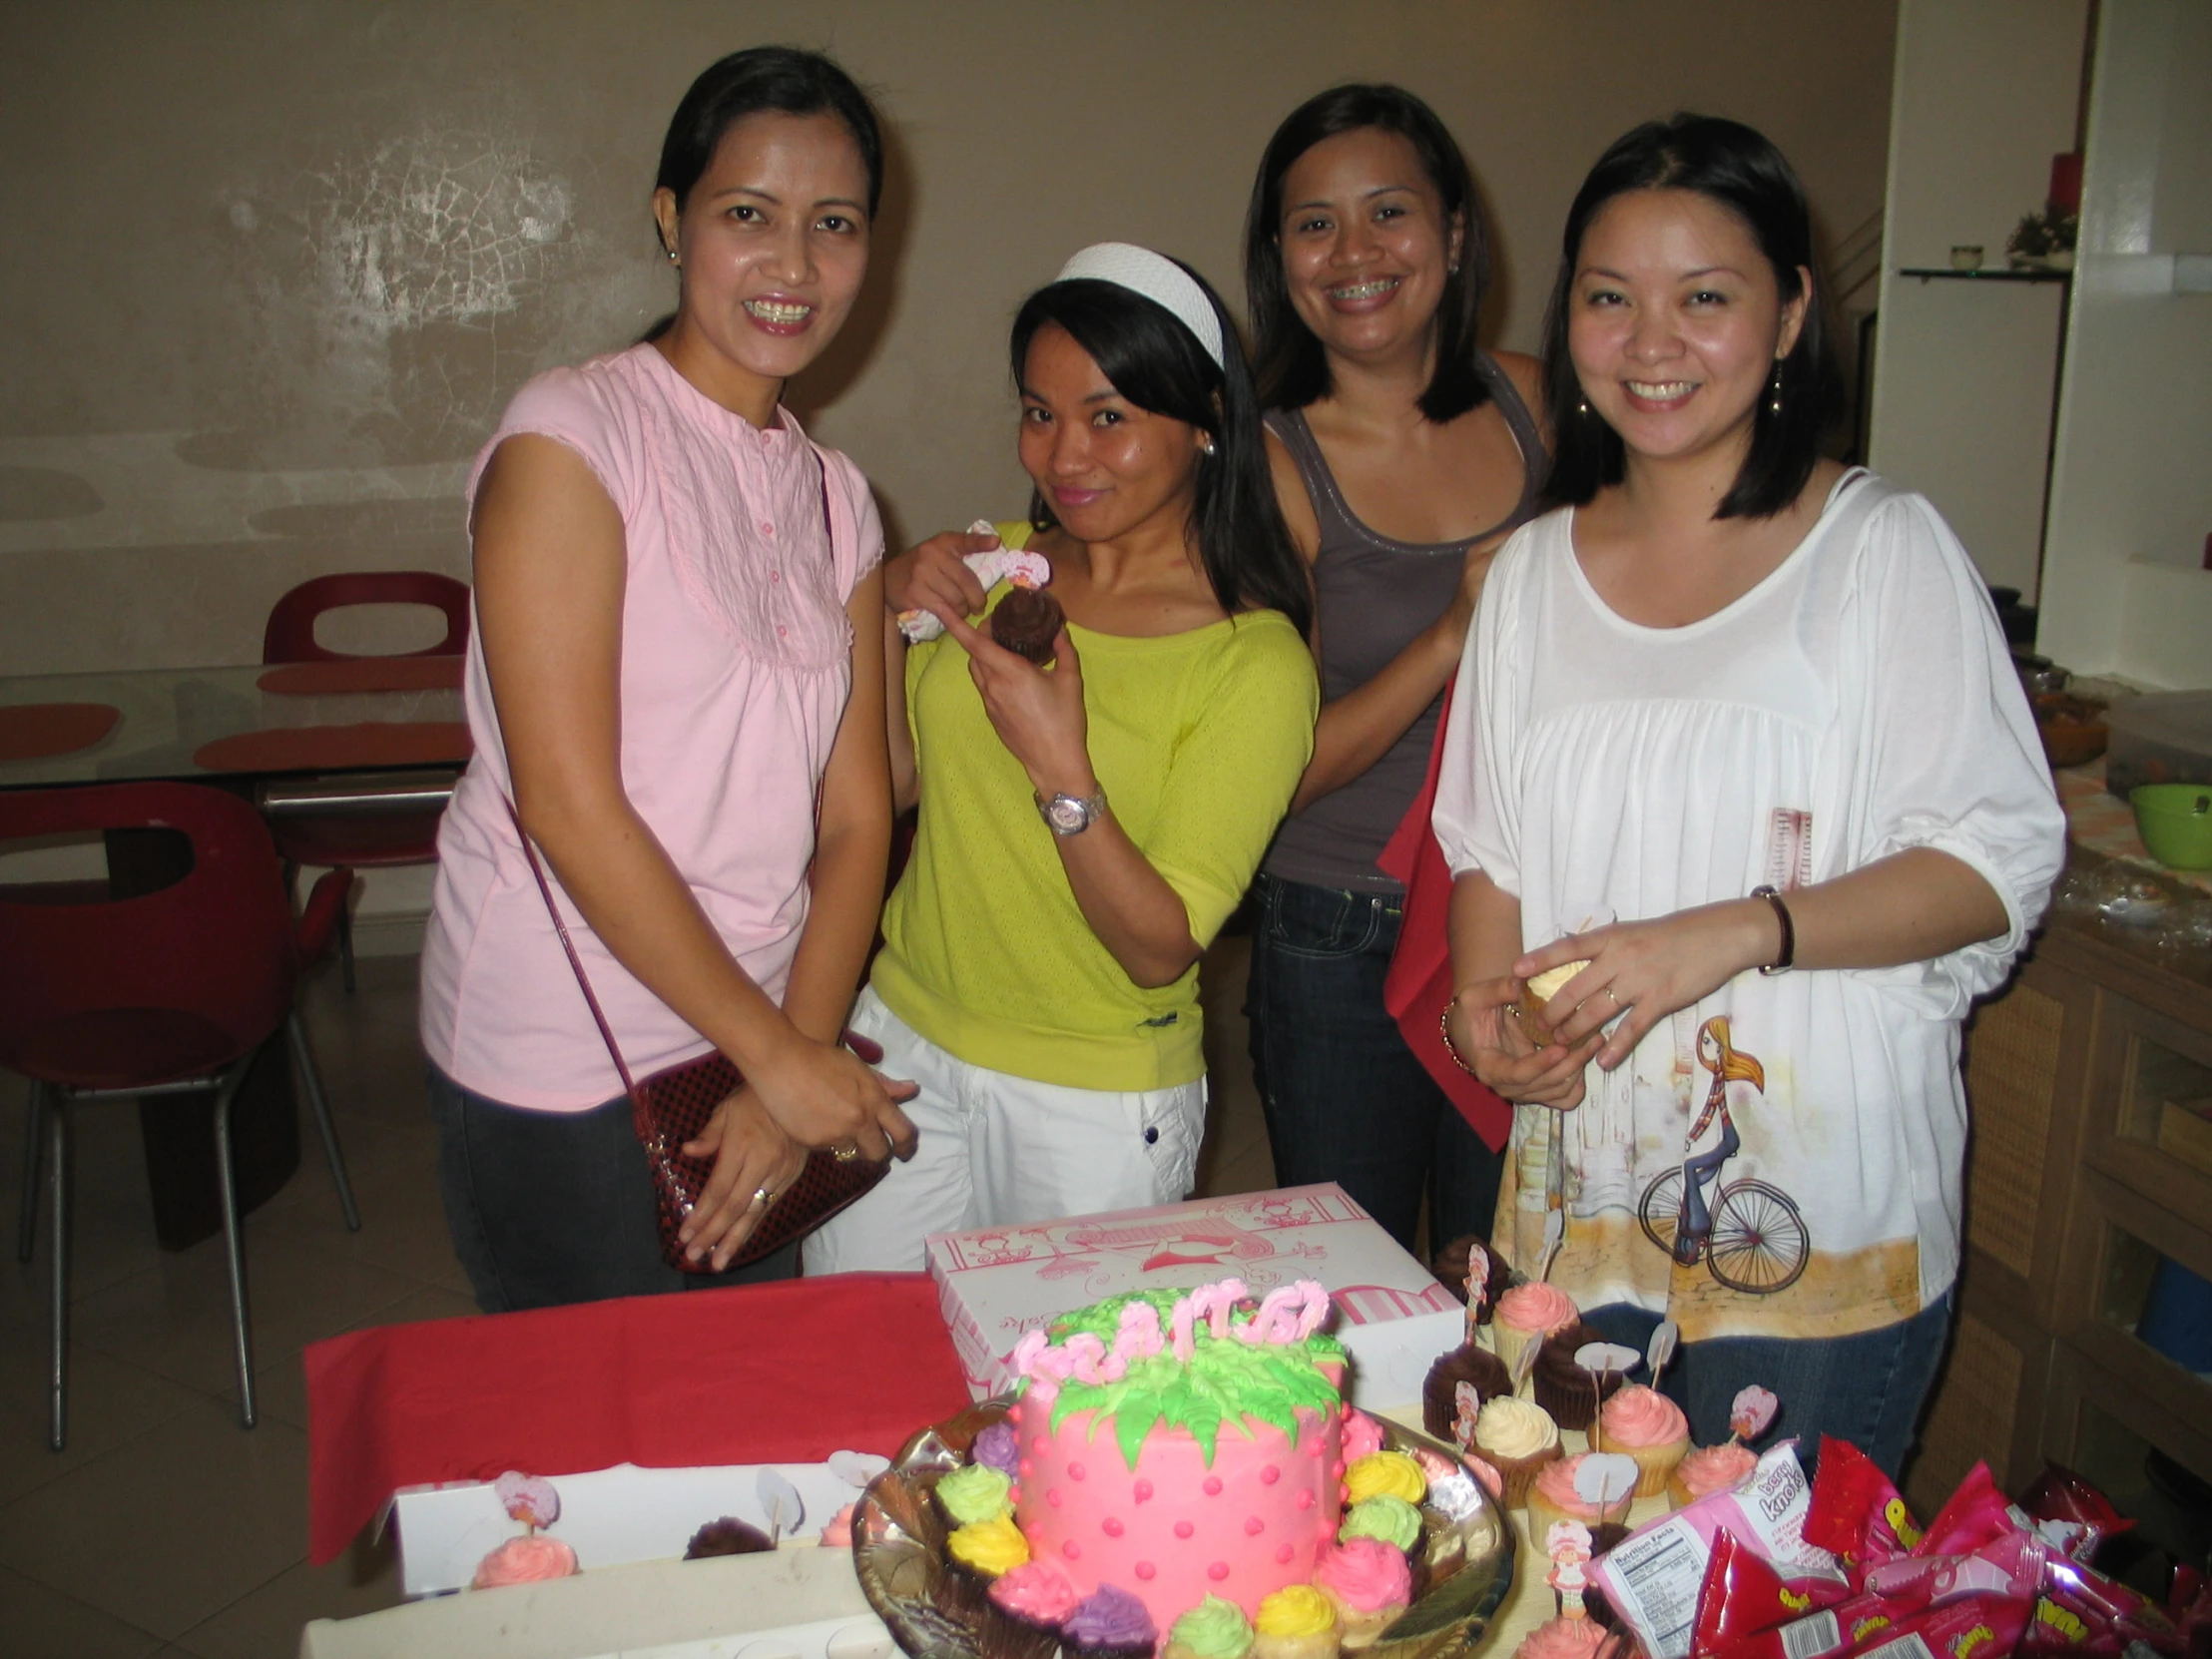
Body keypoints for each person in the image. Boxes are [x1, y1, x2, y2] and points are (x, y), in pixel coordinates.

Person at [1434, 114, 2064, 1475]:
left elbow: (1992, 858)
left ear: (1788, 316)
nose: (1650, 341)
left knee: (1769, 1603)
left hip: (1818, 1212)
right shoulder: (1533, 572)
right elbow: (1486, 847)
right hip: (1578, 1198)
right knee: (1584, 1576)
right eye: (1610, 298)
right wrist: (1480, 1013)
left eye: (1704, 298)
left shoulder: (1880, 551)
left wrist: (1733, 929)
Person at [419, 47, 916, 1312]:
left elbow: (857, 814)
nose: (792, 266)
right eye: (747, 214)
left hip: (763, 1028)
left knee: (738, 1423)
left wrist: (790, 1058)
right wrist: (779, 1060)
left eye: (834, 225)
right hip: (567, 1041)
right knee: (595, 1441)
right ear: (668, 220)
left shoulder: (832, 494)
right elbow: (567, 801)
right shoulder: (574, 438)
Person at [806, 245, 1319, 1271]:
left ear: (1205, 420)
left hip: (1090, 1096)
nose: (1061, 456)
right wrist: (878, 600)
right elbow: (893, 785)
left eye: (1108, 416)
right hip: (900, 1040)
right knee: (861, 1365)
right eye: (1038, 413)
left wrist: (1061, 772)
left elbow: (1158, 950)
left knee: (1055, 1409)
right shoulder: (992, 567)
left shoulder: (1250, 659)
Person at [1241, 85, 1547, 1254]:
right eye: (1313, 224)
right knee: (1352, 1271)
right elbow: (1272, 772)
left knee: (1510, 1276)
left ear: (1455, 232)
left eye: (1388, 213)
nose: (1353, 253)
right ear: (1278, 256)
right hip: (1341, 924)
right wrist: (1452, 633)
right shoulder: (1267, 461)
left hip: (1526, 911)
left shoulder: (1537, 406)